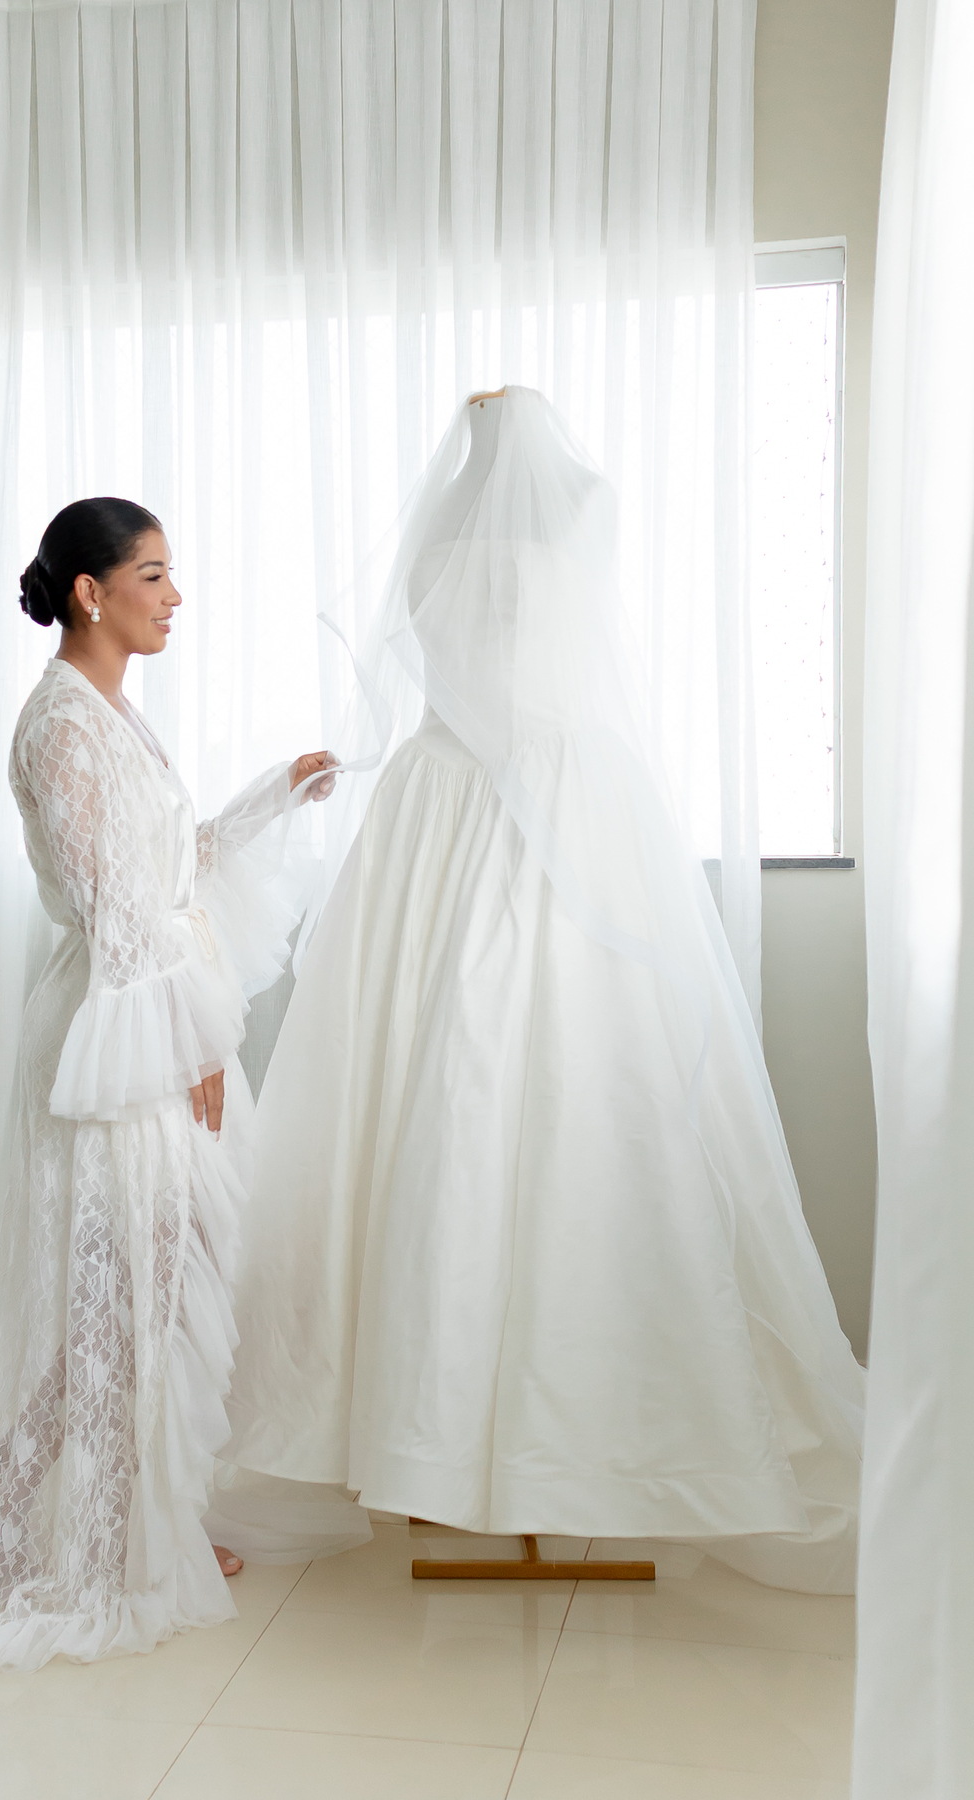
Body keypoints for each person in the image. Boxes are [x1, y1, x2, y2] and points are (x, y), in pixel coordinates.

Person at [222, 388, 866, 1595]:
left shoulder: (453, 528)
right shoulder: (571, 510)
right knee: (457, 1083)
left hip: (459, 803)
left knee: (503, 1085)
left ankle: (479, 1434)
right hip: (522, 792)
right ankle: (459, 1437)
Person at [0, 497, 341, 1673]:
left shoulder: (113, 714)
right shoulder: (59, 726)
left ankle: (141, 1520)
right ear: (90, 592)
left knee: (159, 1280)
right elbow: (114, 914)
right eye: (154, 574)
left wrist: (272, 795)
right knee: (106, 1294)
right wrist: (195, 1047)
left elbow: (169, 867)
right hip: (119, 1034)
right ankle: (75, 1540)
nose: (175, 596)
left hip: (152, 1013)